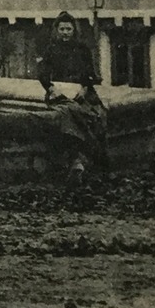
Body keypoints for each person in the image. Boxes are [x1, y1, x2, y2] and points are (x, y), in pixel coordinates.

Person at [36, 11, 108, 181]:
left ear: (74, 30)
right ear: (57, 30)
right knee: (66, 114)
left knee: (95, 114)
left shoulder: (82, 49)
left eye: (68, 29)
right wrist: (52, 88)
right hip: (60, 92)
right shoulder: (51, 50)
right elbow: (43, 74)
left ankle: (81, 160)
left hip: (82, 91)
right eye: (62, 29)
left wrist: (84, 88)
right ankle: (77, 161)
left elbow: (90, 74)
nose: (65, 32)